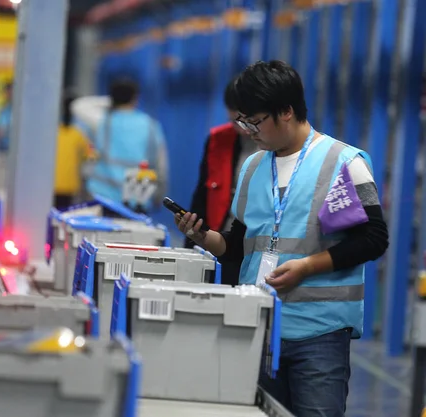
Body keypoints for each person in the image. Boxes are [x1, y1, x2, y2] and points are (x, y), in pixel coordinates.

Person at [175, 60, 388, 416]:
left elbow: (374, 238)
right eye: (242, 121)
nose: (248, 131)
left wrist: (307, 267)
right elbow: (238, 245)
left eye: (255, 121)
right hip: (257, 326)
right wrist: (203, 237)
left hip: (320, 334)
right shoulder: (254, 167)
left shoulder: (343, 163)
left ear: (286, 111)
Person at [185, 79, 256, 285]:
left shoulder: (272, 146)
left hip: (252, 248)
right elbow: (202, 194)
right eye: (235, 121)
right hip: (219, 242)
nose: (241, 128)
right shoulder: (218, 140)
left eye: (245, 121)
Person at [86, 79, 168, 210]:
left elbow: (78, 105)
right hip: (136, 199)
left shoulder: (101, 121)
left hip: (101, 196)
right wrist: (159, 194)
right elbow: (160, 164)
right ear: (135, 98)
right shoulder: (150, 125)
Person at [53, 92, 96, 210]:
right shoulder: (79, 133)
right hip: (70, 184)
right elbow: (90, 154)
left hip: (51, 182)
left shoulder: (54, 131)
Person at [0, 81, 13, 153]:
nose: (8, 94)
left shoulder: (19, 111)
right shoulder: (3, 110)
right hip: (3, 148)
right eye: (7, 92)